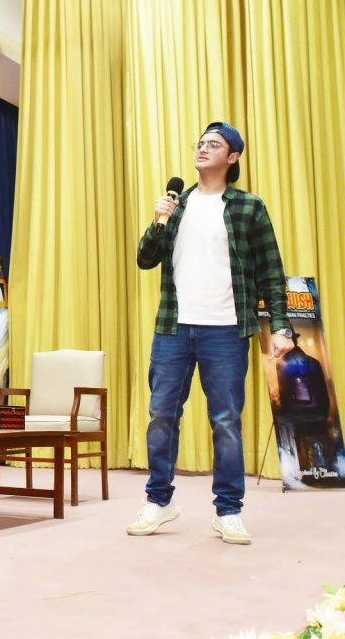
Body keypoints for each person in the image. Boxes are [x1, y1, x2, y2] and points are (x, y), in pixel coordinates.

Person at [127, 121, 292, 545]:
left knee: (226, 421)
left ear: (232, 157)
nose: (202, 149)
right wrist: (158, 220)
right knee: (162, 414)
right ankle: (158, 501)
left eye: (213, 144)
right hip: (173, 328)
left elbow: (271, 273)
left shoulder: (248, 207)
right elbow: (145, 259)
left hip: (227, 330)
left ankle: (229, 510)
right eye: (200, 143)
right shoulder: (176, 205)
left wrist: (281, 327)